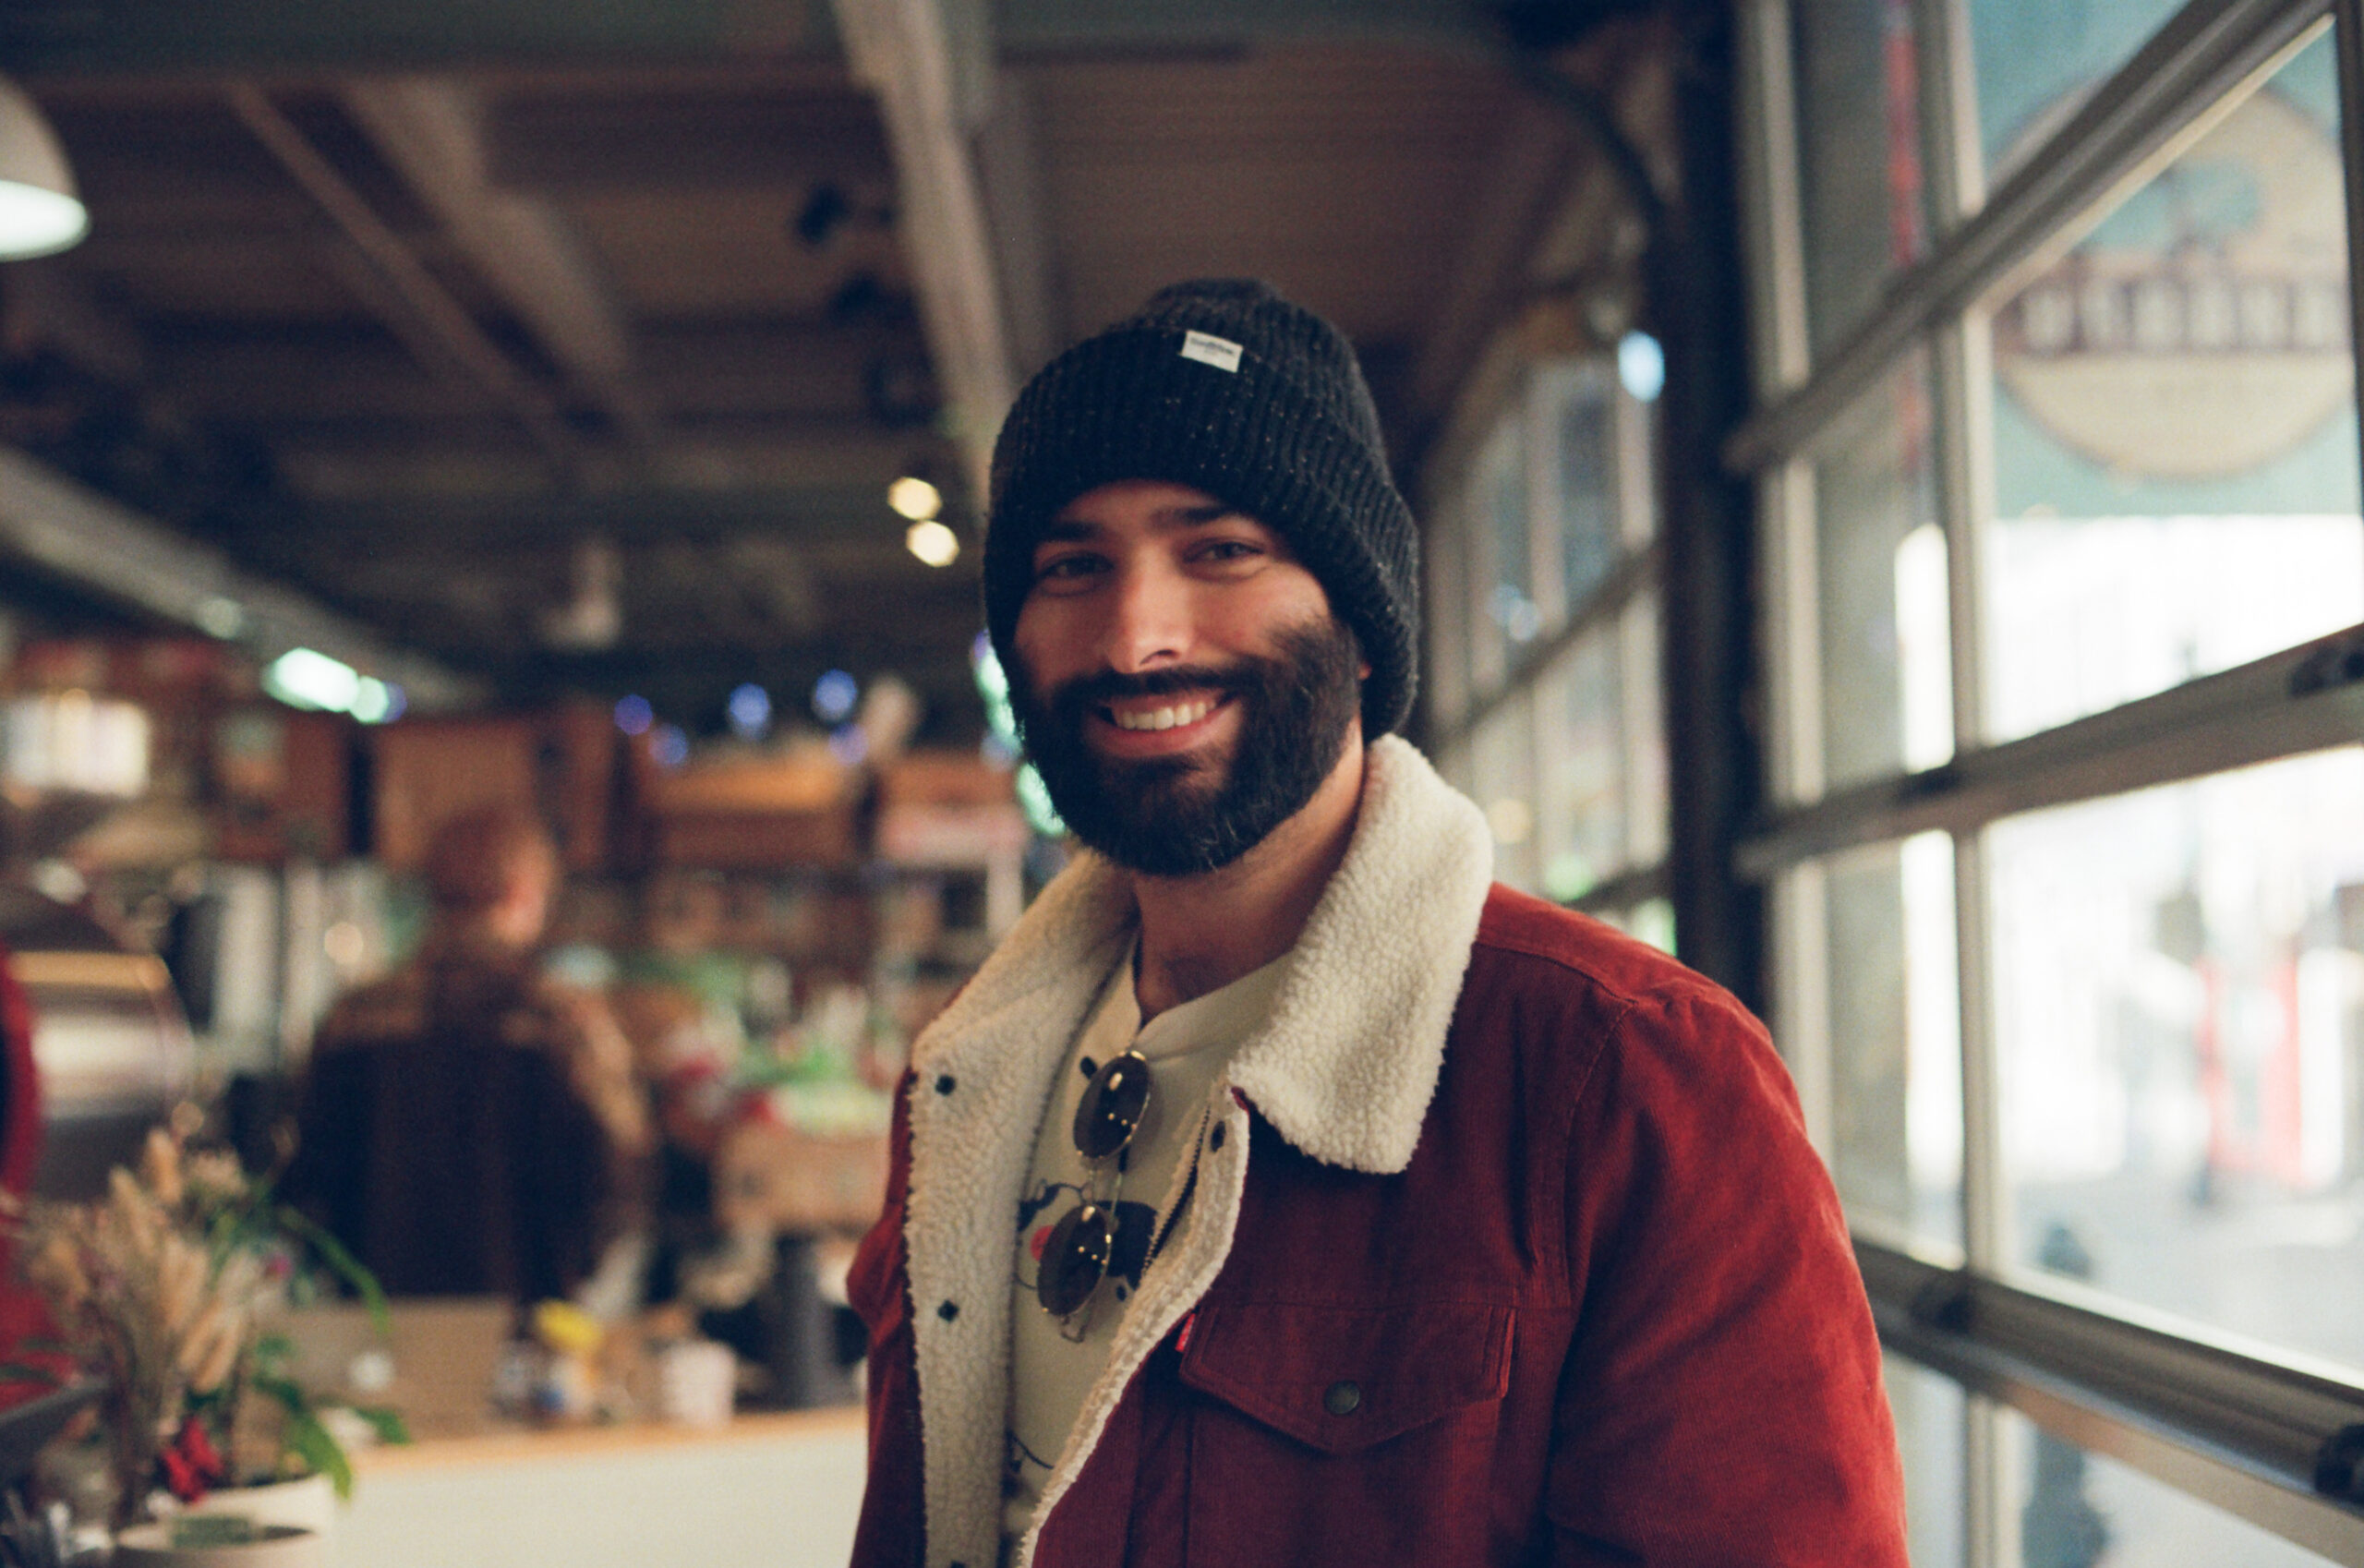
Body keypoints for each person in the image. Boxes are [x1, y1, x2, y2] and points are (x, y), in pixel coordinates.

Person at [846, 280, 1906, 1568]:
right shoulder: (971, 1081)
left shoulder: (1629, 1076)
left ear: (1355, 626)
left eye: (1219, 550)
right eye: (1075, 567)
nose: (1135, 637)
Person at [287, 806, 650, 1309]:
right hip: (527, 1322)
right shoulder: (563, 1022)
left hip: (379, 1321)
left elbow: (306, 1181)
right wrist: (575, 1274)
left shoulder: (354, 1018)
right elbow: (622, 1172)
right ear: (524, 892)